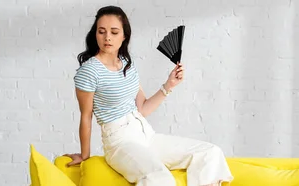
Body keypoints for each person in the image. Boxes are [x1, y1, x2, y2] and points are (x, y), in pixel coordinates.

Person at [64, 5, 234, 186]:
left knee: (210, 152)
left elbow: (142, 108)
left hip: (146, 134)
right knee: (159, 178)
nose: (107, 38)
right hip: (120, 143)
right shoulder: (89, 71)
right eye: (101, 31)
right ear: (95, 34)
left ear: (124, 36)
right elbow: (86, 116)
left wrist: (169, 85)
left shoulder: (127, 64)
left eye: (114, 32)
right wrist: (85, 155)